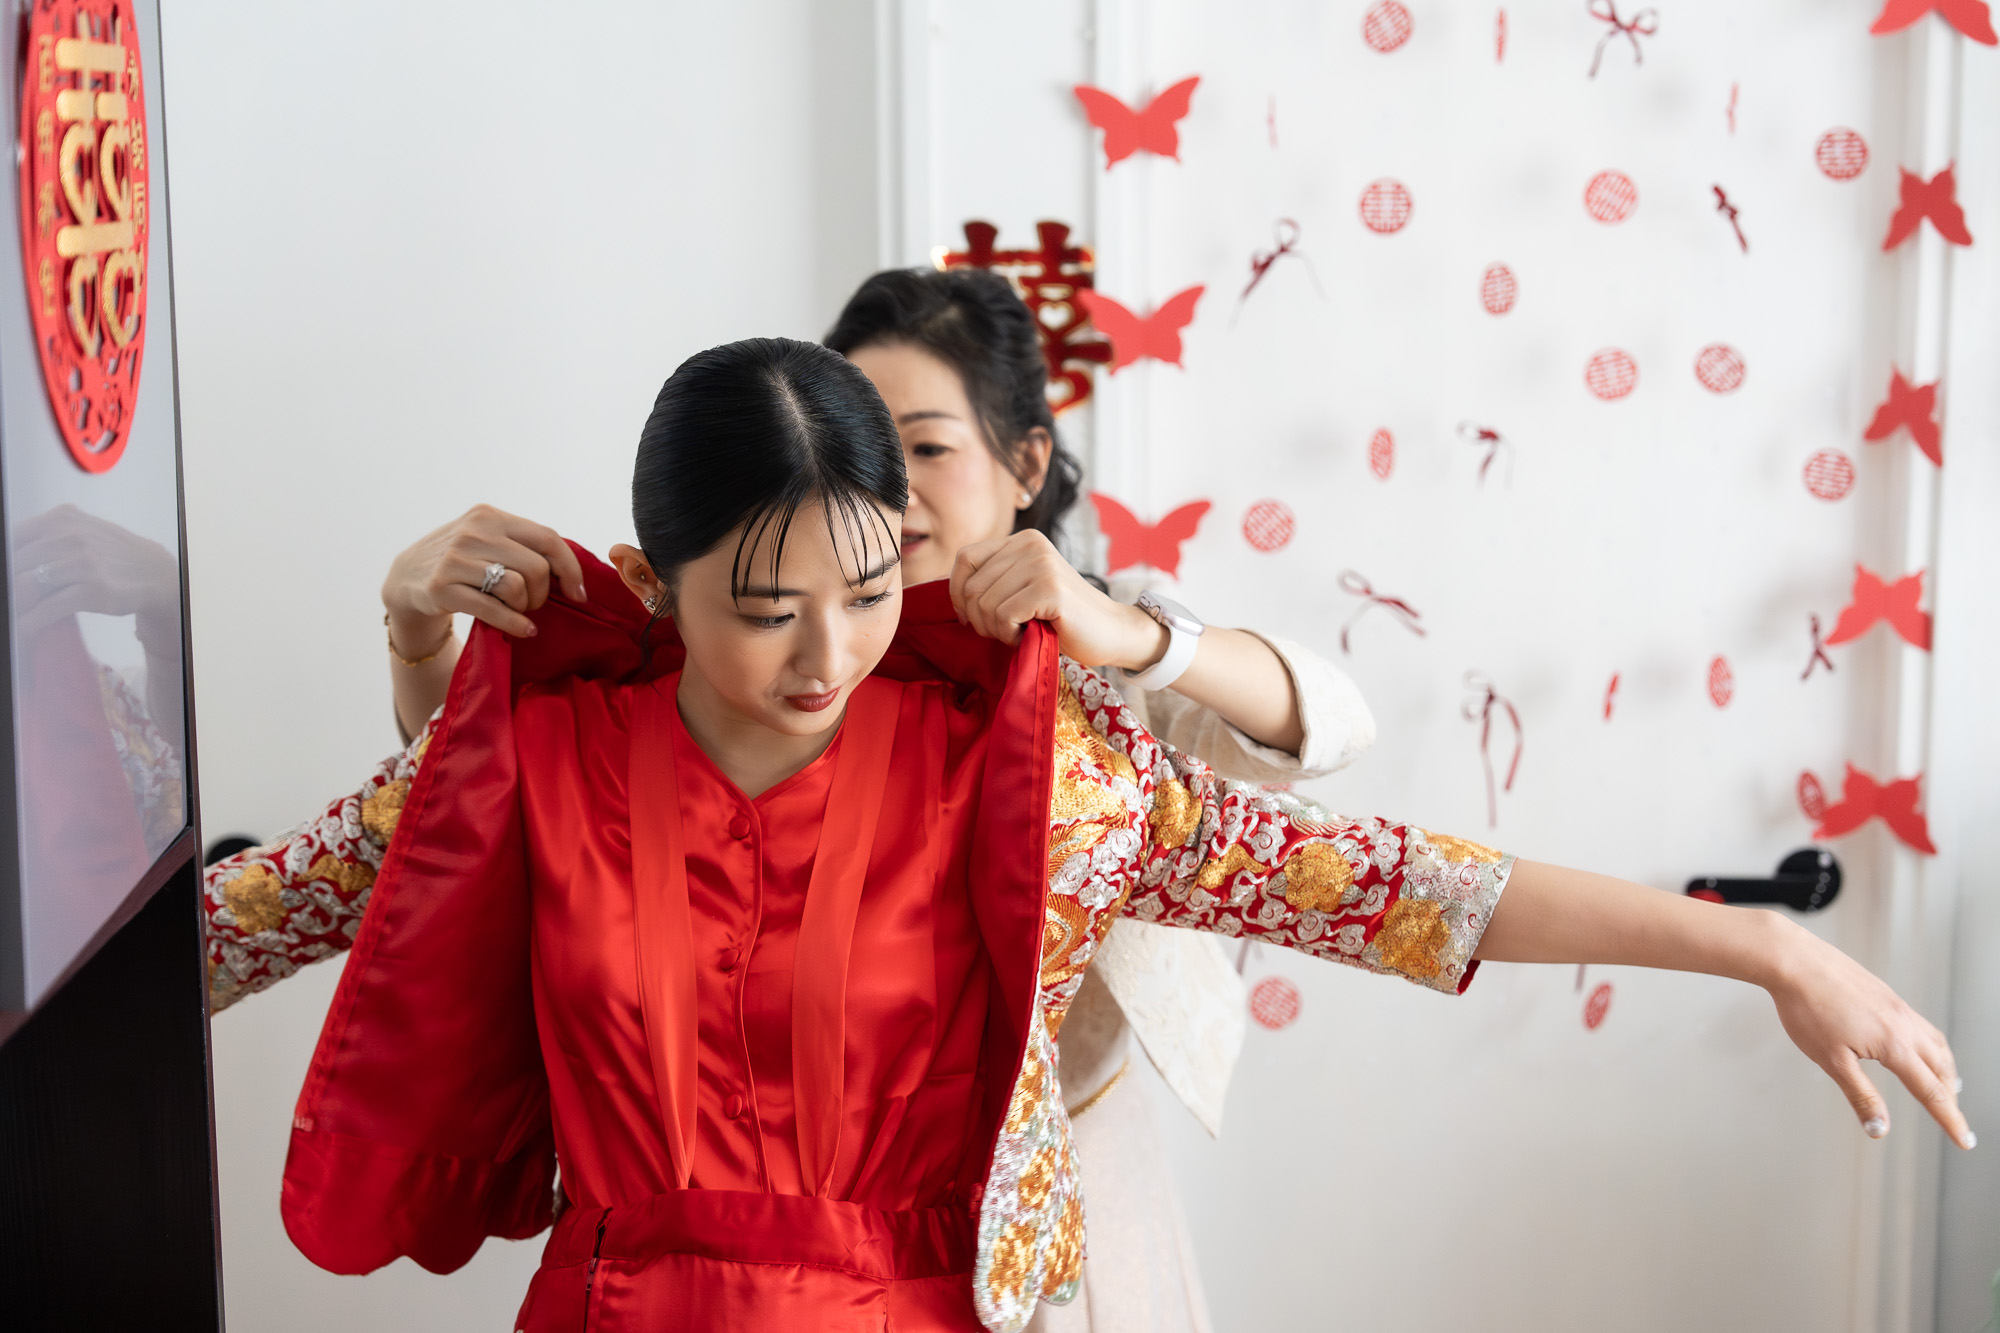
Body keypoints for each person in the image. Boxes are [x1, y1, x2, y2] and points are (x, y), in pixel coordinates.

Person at [205, 338, 1967, 1333]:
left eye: (867, 589)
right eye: (761, 608)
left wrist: (1758, 943)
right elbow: (238, 927)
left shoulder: (1023, 766)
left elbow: (1385, 886)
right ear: (659, 582)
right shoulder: (535, 752)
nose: (825, 655)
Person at [368, 268, 1377, 1331]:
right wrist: (418, 632)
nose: (882, 482)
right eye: (868, 440)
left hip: (1064, 1190)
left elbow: (1331, 731)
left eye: (925, 447)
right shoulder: (737, 654)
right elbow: (463, 799)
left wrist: (1135, 633)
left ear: (1025, 462)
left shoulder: (1089, 646)